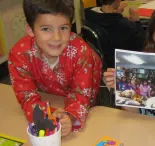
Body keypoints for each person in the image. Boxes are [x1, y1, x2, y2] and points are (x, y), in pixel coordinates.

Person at [8, 0, 102, 137]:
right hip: (51, 96)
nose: (57, 37)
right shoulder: (19, 54)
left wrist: (69, 117)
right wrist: (48, 114)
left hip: (85, 89)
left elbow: (82, 95)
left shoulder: (82, 52)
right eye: (46, 29)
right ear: (30, 29)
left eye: (64, 28)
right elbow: (26, 95)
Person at [84, 0, 145, 68]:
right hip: (117, 65)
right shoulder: (123, 25)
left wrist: (116, 14)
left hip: (97, 63)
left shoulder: (87, 14)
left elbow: (106, 18)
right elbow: (141, 43)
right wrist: (137, 22)